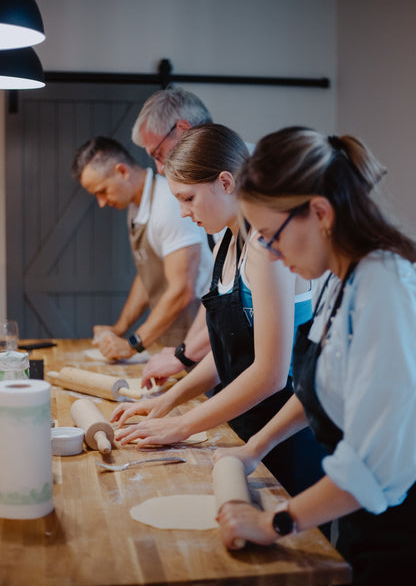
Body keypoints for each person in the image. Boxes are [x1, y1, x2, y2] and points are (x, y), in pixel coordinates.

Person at [214, 126, 416, 585]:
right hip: (357, 514)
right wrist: (254, 448)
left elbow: (375, 465)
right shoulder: (344, 277)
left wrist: (273, 522)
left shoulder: (386, 288)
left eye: (269, 235)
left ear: (320, 213)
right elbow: (319, 388)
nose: (269, 252)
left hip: (397, 531)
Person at [111, 124, 327, 499]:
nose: (182, 212)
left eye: (188, 198)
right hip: (243, 424)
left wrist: (183, 427)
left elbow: (270, 374)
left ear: (226, 183)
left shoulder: (264, 247)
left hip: (285, 437)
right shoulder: (226, 242)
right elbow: (229, 353)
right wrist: (169, 400)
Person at [71, 136, 212, 360]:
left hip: (201, 340)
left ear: (122, 172)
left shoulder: (168, 204)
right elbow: (148, 276)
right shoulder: (135, 209)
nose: (101, 202)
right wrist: (118, 329)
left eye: (102, 191)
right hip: (173, 339)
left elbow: (183, 289)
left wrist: (133, 344)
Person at [132, 87, 215, 381]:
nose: (158, 167)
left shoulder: (243, 198)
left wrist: (183, 355)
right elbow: (217, 299)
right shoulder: (219, 223)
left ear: (182, 129)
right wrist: (183, 353)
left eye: (158, 154)